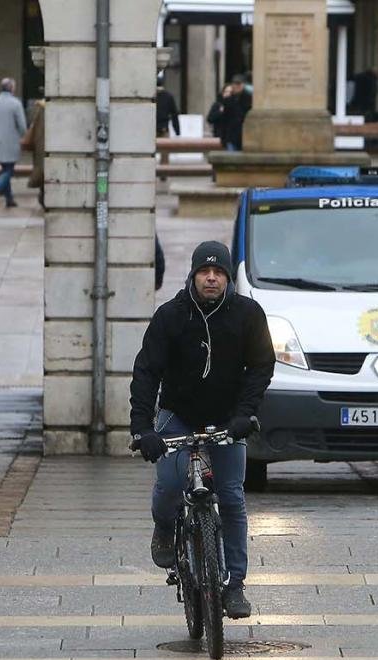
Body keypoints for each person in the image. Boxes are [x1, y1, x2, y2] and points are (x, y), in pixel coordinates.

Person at [129, 241, 276, 619]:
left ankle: (235, 585)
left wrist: (246, 414)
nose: (211, 278)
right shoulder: (170, 316)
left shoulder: (248, 315)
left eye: (219, 273)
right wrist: (143, 429)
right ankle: (164, 528)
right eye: (204, 272)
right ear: (193, 275)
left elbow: (261, 367)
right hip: (178, 414)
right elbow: (146, 373)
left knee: (231, 498)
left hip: (227, 419)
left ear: (228, 277)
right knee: (168, 486)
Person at [0, 77, 27, 209]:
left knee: (4, 169)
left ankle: (9, 199)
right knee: (8, 171)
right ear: (12, 88)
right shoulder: (16, 104)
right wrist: (24, 136)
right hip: (11, 143)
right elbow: (22, 126)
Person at [218, 75, 252, 151]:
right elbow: (224, 120)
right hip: (231, 136)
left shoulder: (249, 99)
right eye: (235, 84)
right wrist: (223, 138)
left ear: (243, 85)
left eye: (238, 84)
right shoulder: (228, 100)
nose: (236, 86)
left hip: (245, 136)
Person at [24, 98, 46, 208]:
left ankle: (43, 195)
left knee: (41, 170)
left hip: (39, 146)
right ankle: (43, 196)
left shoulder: (38, 108)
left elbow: (31, 123)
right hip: (45, 145)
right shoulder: (43, 108)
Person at [156, 74, 181, 138]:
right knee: (164, 146)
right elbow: (174, 114)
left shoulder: (152, 96)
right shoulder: (168, 96)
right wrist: (177, 131)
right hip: (164, 128)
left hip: (151, 128)